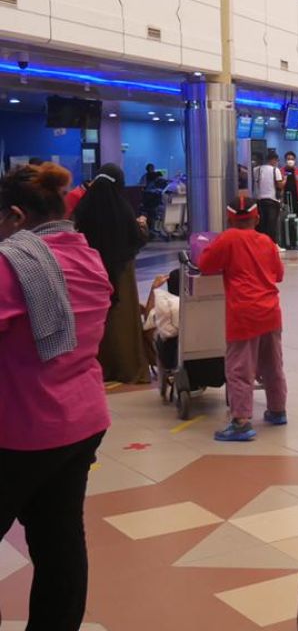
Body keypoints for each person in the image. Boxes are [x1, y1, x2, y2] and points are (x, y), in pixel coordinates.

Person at [0, 164, 112, 631]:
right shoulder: (87, 255)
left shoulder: (12, 264)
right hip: (81, 423)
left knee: (58, 539)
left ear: (14, 216)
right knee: (60, 542)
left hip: (23, 430)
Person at [197, 197, 287, 442]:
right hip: (270, 311)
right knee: (272, 365)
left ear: (229, 219)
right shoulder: (267, 241)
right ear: (257, 218)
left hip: (243, 313)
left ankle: (240, 422)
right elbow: (278, 275)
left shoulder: (228, 239)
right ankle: (277, 410)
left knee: (239, 369)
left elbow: (205, 265)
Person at [74, 164, 151, 384]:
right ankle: (126, 366)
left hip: (91, 271)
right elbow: (136, 238)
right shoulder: (123, 208)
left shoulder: (85, 207)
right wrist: (142, 226)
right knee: (122, 319)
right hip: (121, 271)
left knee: (97, 319)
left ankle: (99, 366)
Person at [251, 151, 284, 243]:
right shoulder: (275, 170)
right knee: (272, 224)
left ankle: (260, 243)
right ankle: (272, 244)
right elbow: (279, 185)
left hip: (259, 200)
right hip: (272, 200)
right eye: (276, 160)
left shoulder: (256, 169)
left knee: (261, 224)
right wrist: (284, 181)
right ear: (273, 160)